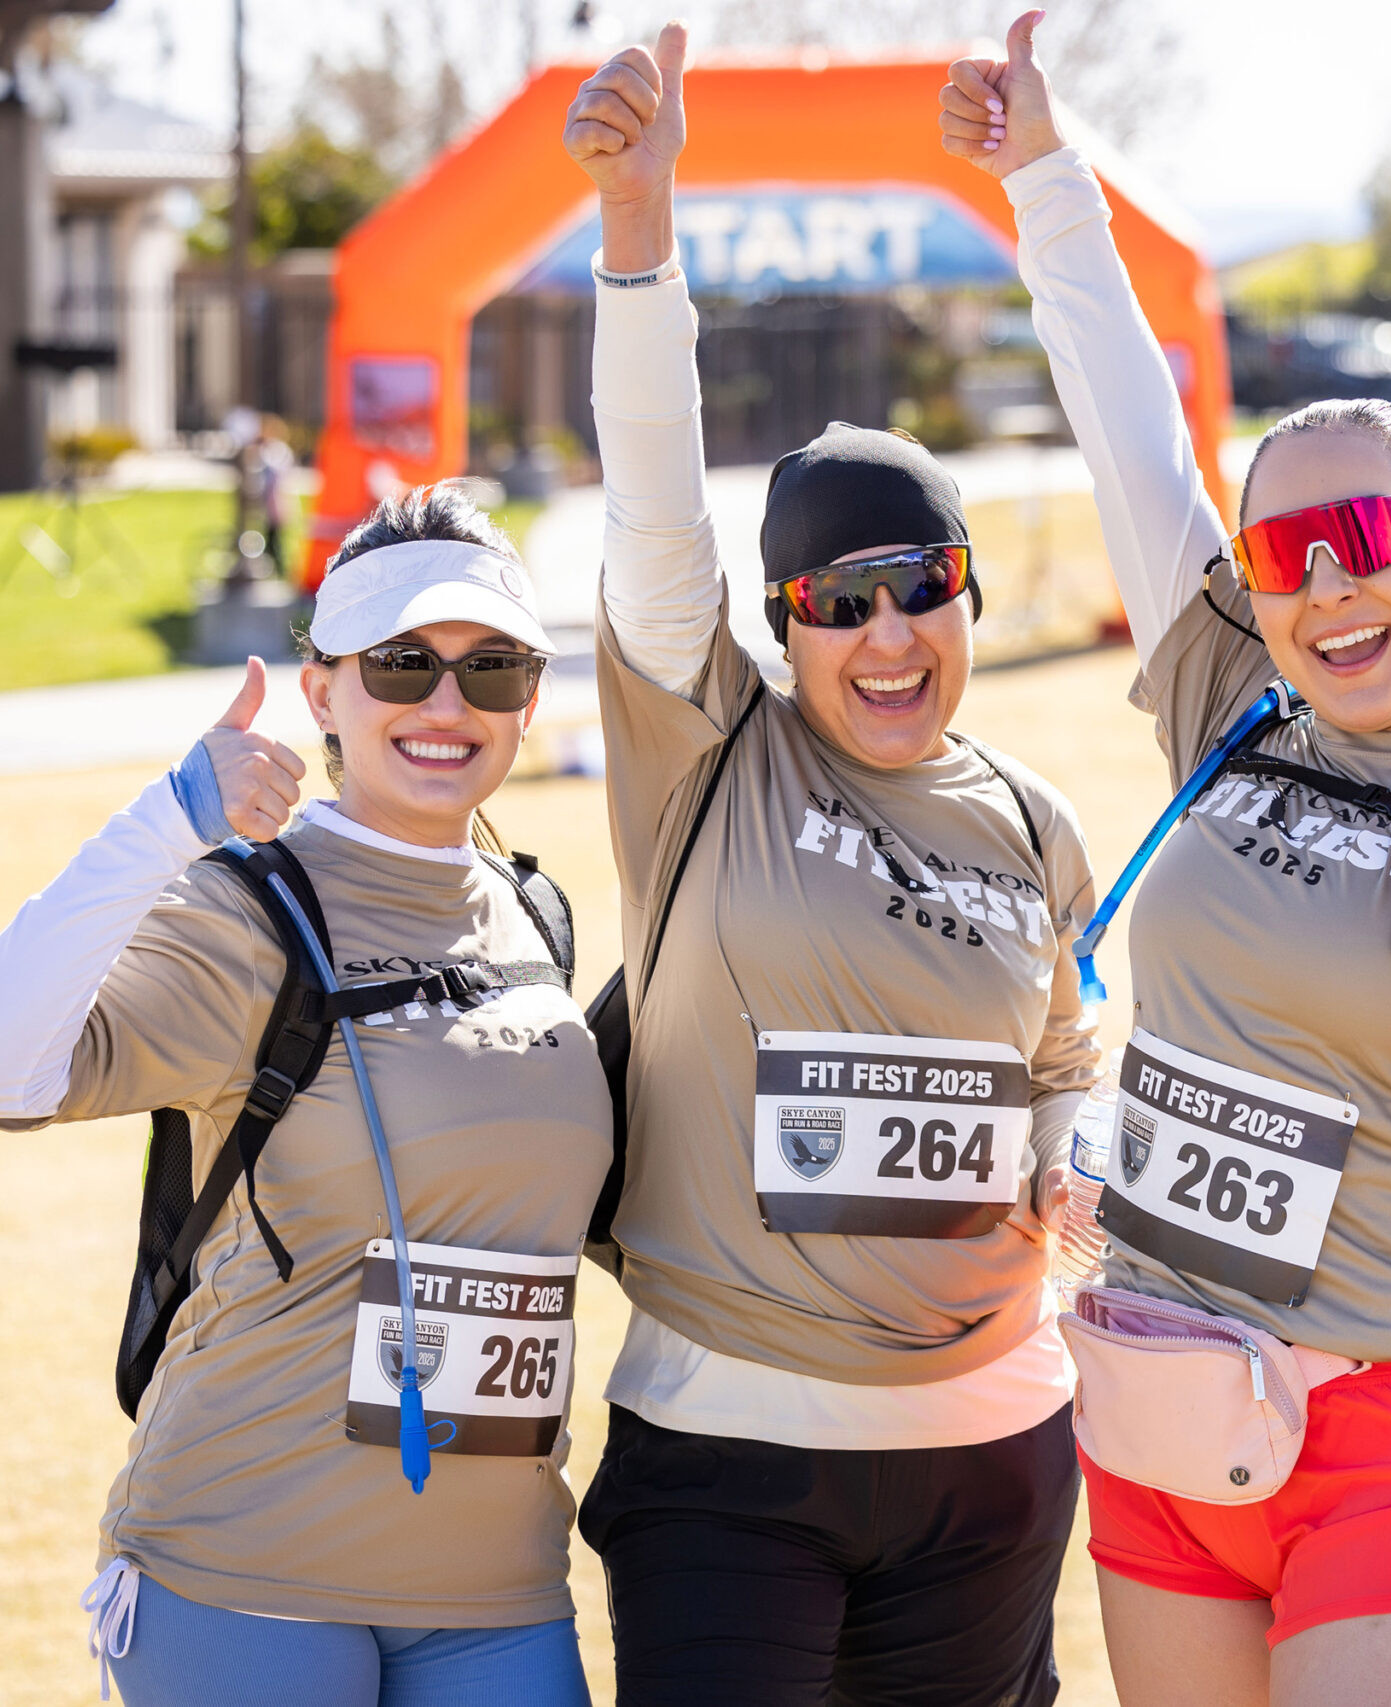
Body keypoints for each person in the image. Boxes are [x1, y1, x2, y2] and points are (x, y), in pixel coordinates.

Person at [939, 16, 1391, 1707]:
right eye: (1279, 557)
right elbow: (1131, 435)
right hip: (1165, 1405)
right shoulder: (1231, 703)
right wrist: (1044, 176)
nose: (1323, 589)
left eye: (1360, 539)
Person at [562, 25, 1100, 1706]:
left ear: (965, 591)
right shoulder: (708, 751)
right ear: (783, 625)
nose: (884, 630)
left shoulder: (1032, 818)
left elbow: (1061, 1059)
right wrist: (638, 227)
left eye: (918, 582)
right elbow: (657, 512)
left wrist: (1073, 1154)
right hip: (730, 1452)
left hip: (992, 1452)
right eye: (833, 599)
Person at [0, 485, 612, 1707]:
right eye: (401, 664)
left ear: (531, 699)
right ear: (322, 691)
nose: (447, 705)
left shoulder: (535, 918)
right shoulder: (248, 910)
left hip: (500, 1595)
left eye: (490, 669)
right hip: (246, 1577)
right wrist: (166, 821)